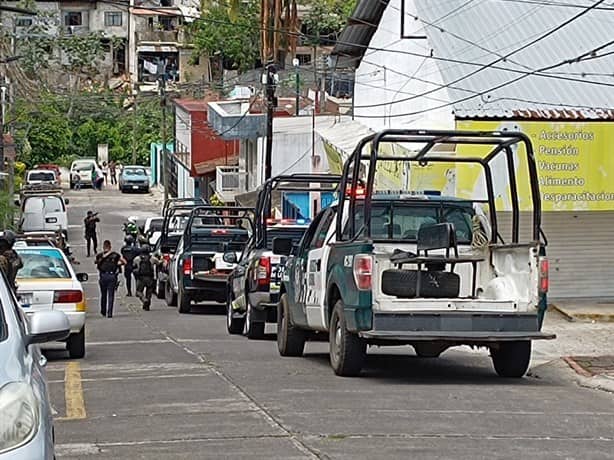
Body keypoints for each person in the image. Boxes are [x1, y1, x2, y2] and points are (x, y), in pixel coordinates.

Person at [95, 240, 125, 318]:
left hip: (103, 276)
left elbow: (97, 263)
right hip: (112, 276)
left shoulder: (99, 256)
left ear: (103, 247)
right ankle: (110, 313)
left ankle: (103, 311)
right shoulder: (115, 255)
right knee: (111, 295)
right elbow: (124, 262)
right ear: (110, 246)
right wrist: (117, 264)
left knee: (103, 294)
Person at [133, 244, 157, 311]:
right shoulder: (152, 258)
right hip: (150, 277)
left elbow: (134, 266)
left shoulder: (137, 259)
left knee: (138, 292)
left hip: (140, 278)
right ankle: (147, 305)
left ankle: (144, 300)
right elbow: (159, 263)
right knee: (149, 292)